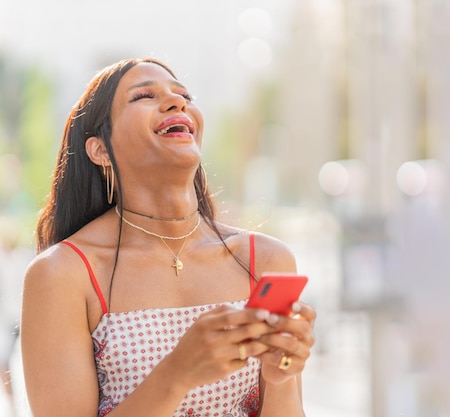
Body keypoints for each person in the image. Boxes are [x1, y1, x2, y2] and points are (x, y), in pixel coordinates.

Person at [20, 57, 316, 417]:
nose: (178, 103)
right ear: (100, 149)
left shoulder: (265, 260)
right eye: (143, 95)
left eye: (184, 95)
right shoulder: (63, 274)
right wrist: (177, 374)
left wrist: (281, 375)